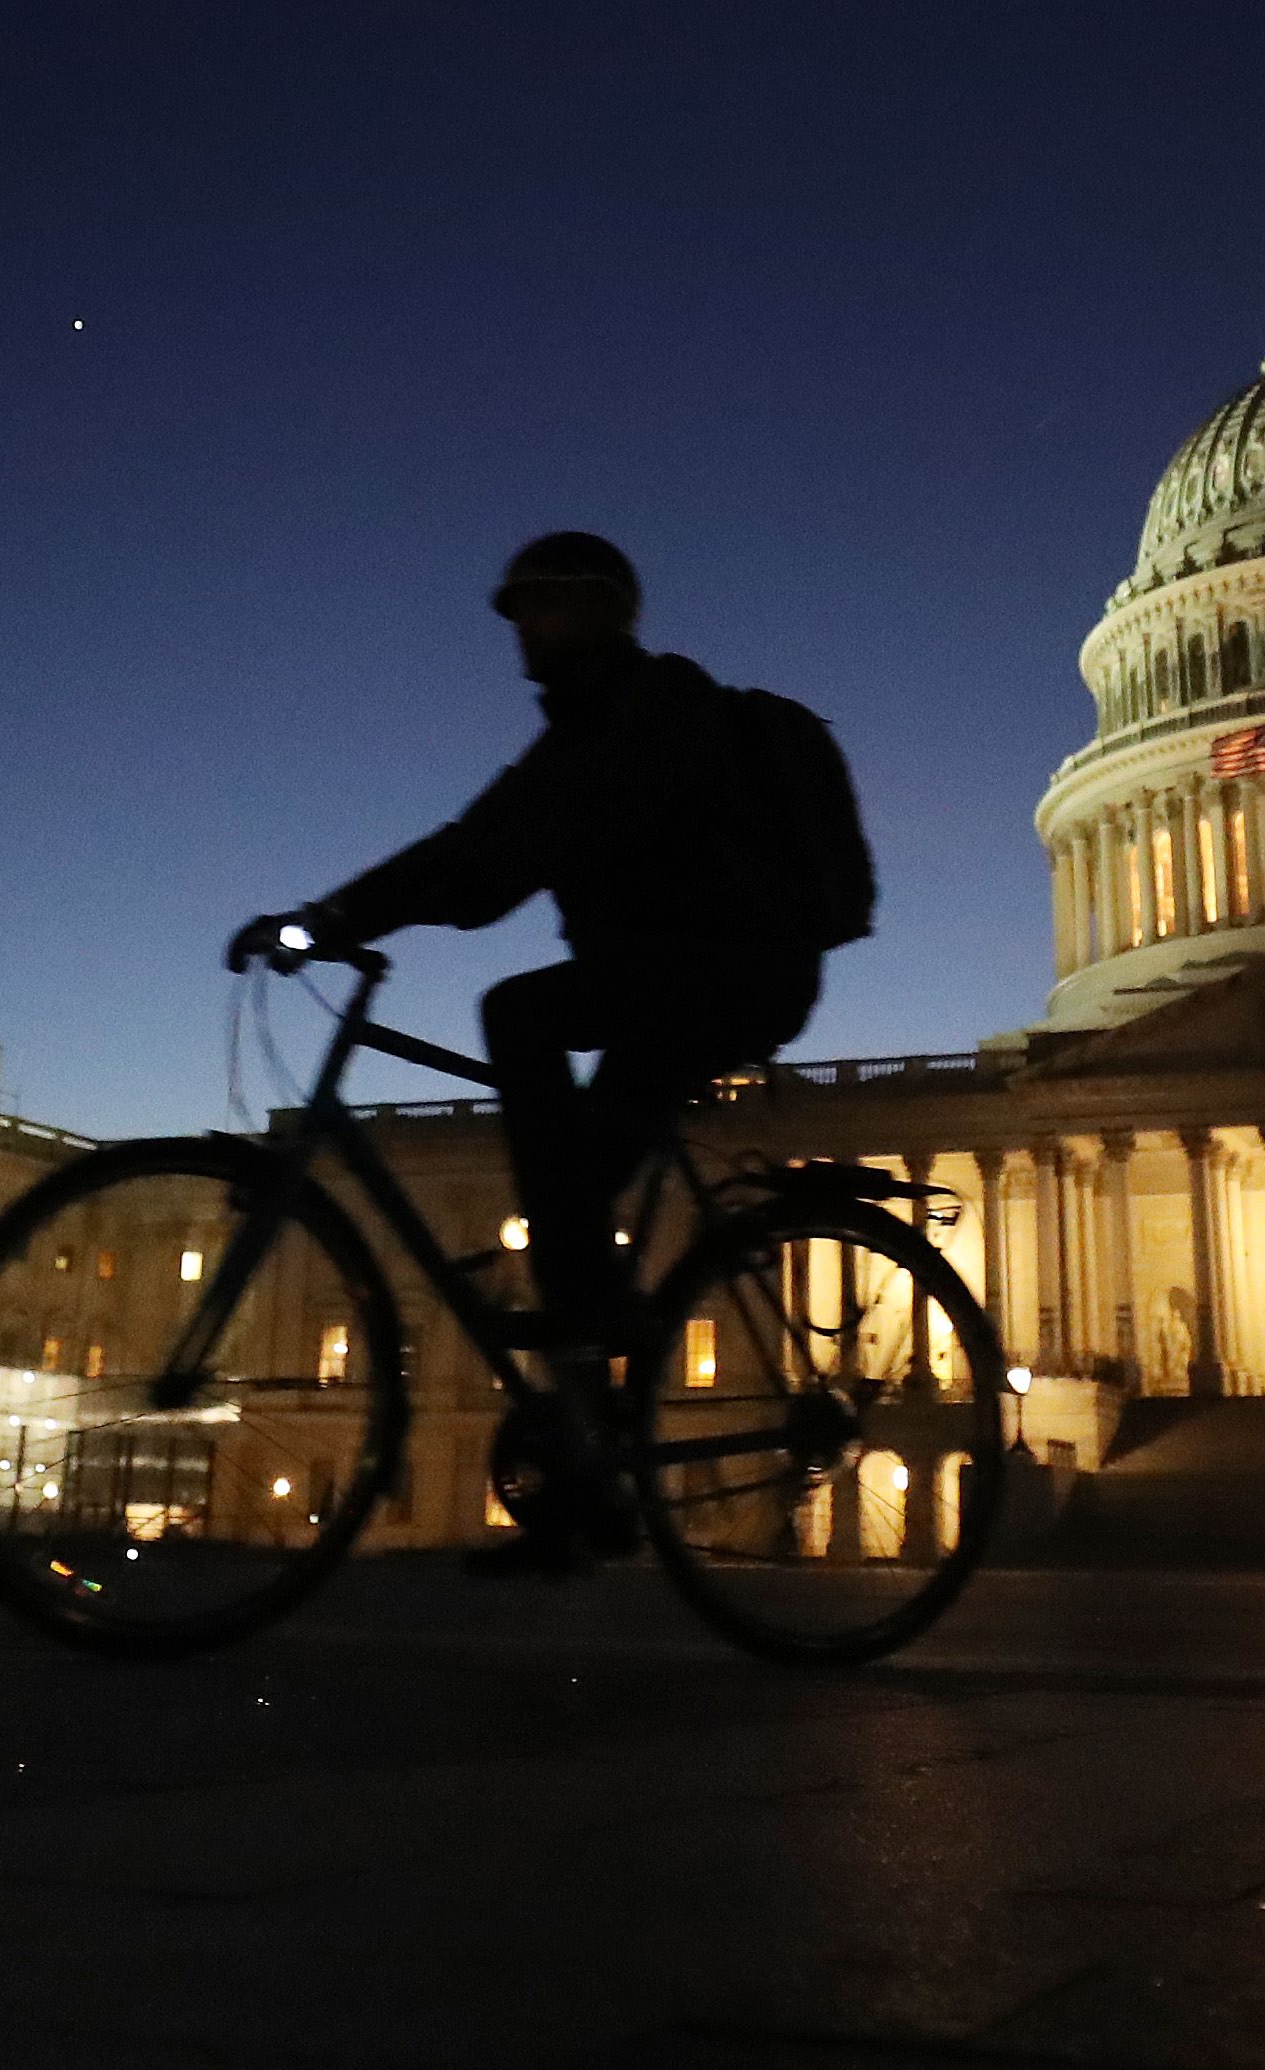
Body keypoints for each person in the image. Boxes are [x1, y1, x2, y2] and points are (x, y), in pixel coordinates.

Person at [228, 532, 826, 1570]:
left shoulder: (652, 713)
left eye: (540, 606)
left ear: (601, 611)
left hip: (727, 972)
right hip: (667, 982)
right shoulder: (588, 725)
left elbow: (499, 854)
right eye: (515, 609)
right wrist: (337, 911)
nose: (520, 630)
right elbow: (483, 839)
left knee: (522, 1017)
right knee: (572, 1201)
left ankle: (590, 1325)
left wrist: (336, 918)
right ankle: (587, 1474)